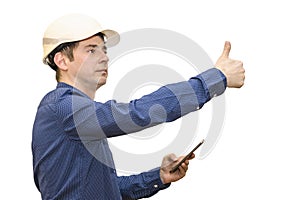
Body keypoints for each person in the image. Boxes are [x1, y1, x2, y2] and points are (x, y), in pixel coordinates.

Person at [32, 13, 245, 200]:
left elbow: (107, 190)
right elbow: (137, 113)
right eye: (91, 51)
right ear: (61, 60)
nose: (104, 57)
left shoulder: (79, 115)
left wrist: (159, 176)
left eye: (103, 50)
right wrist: (216, 78)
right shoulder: (62, 107)